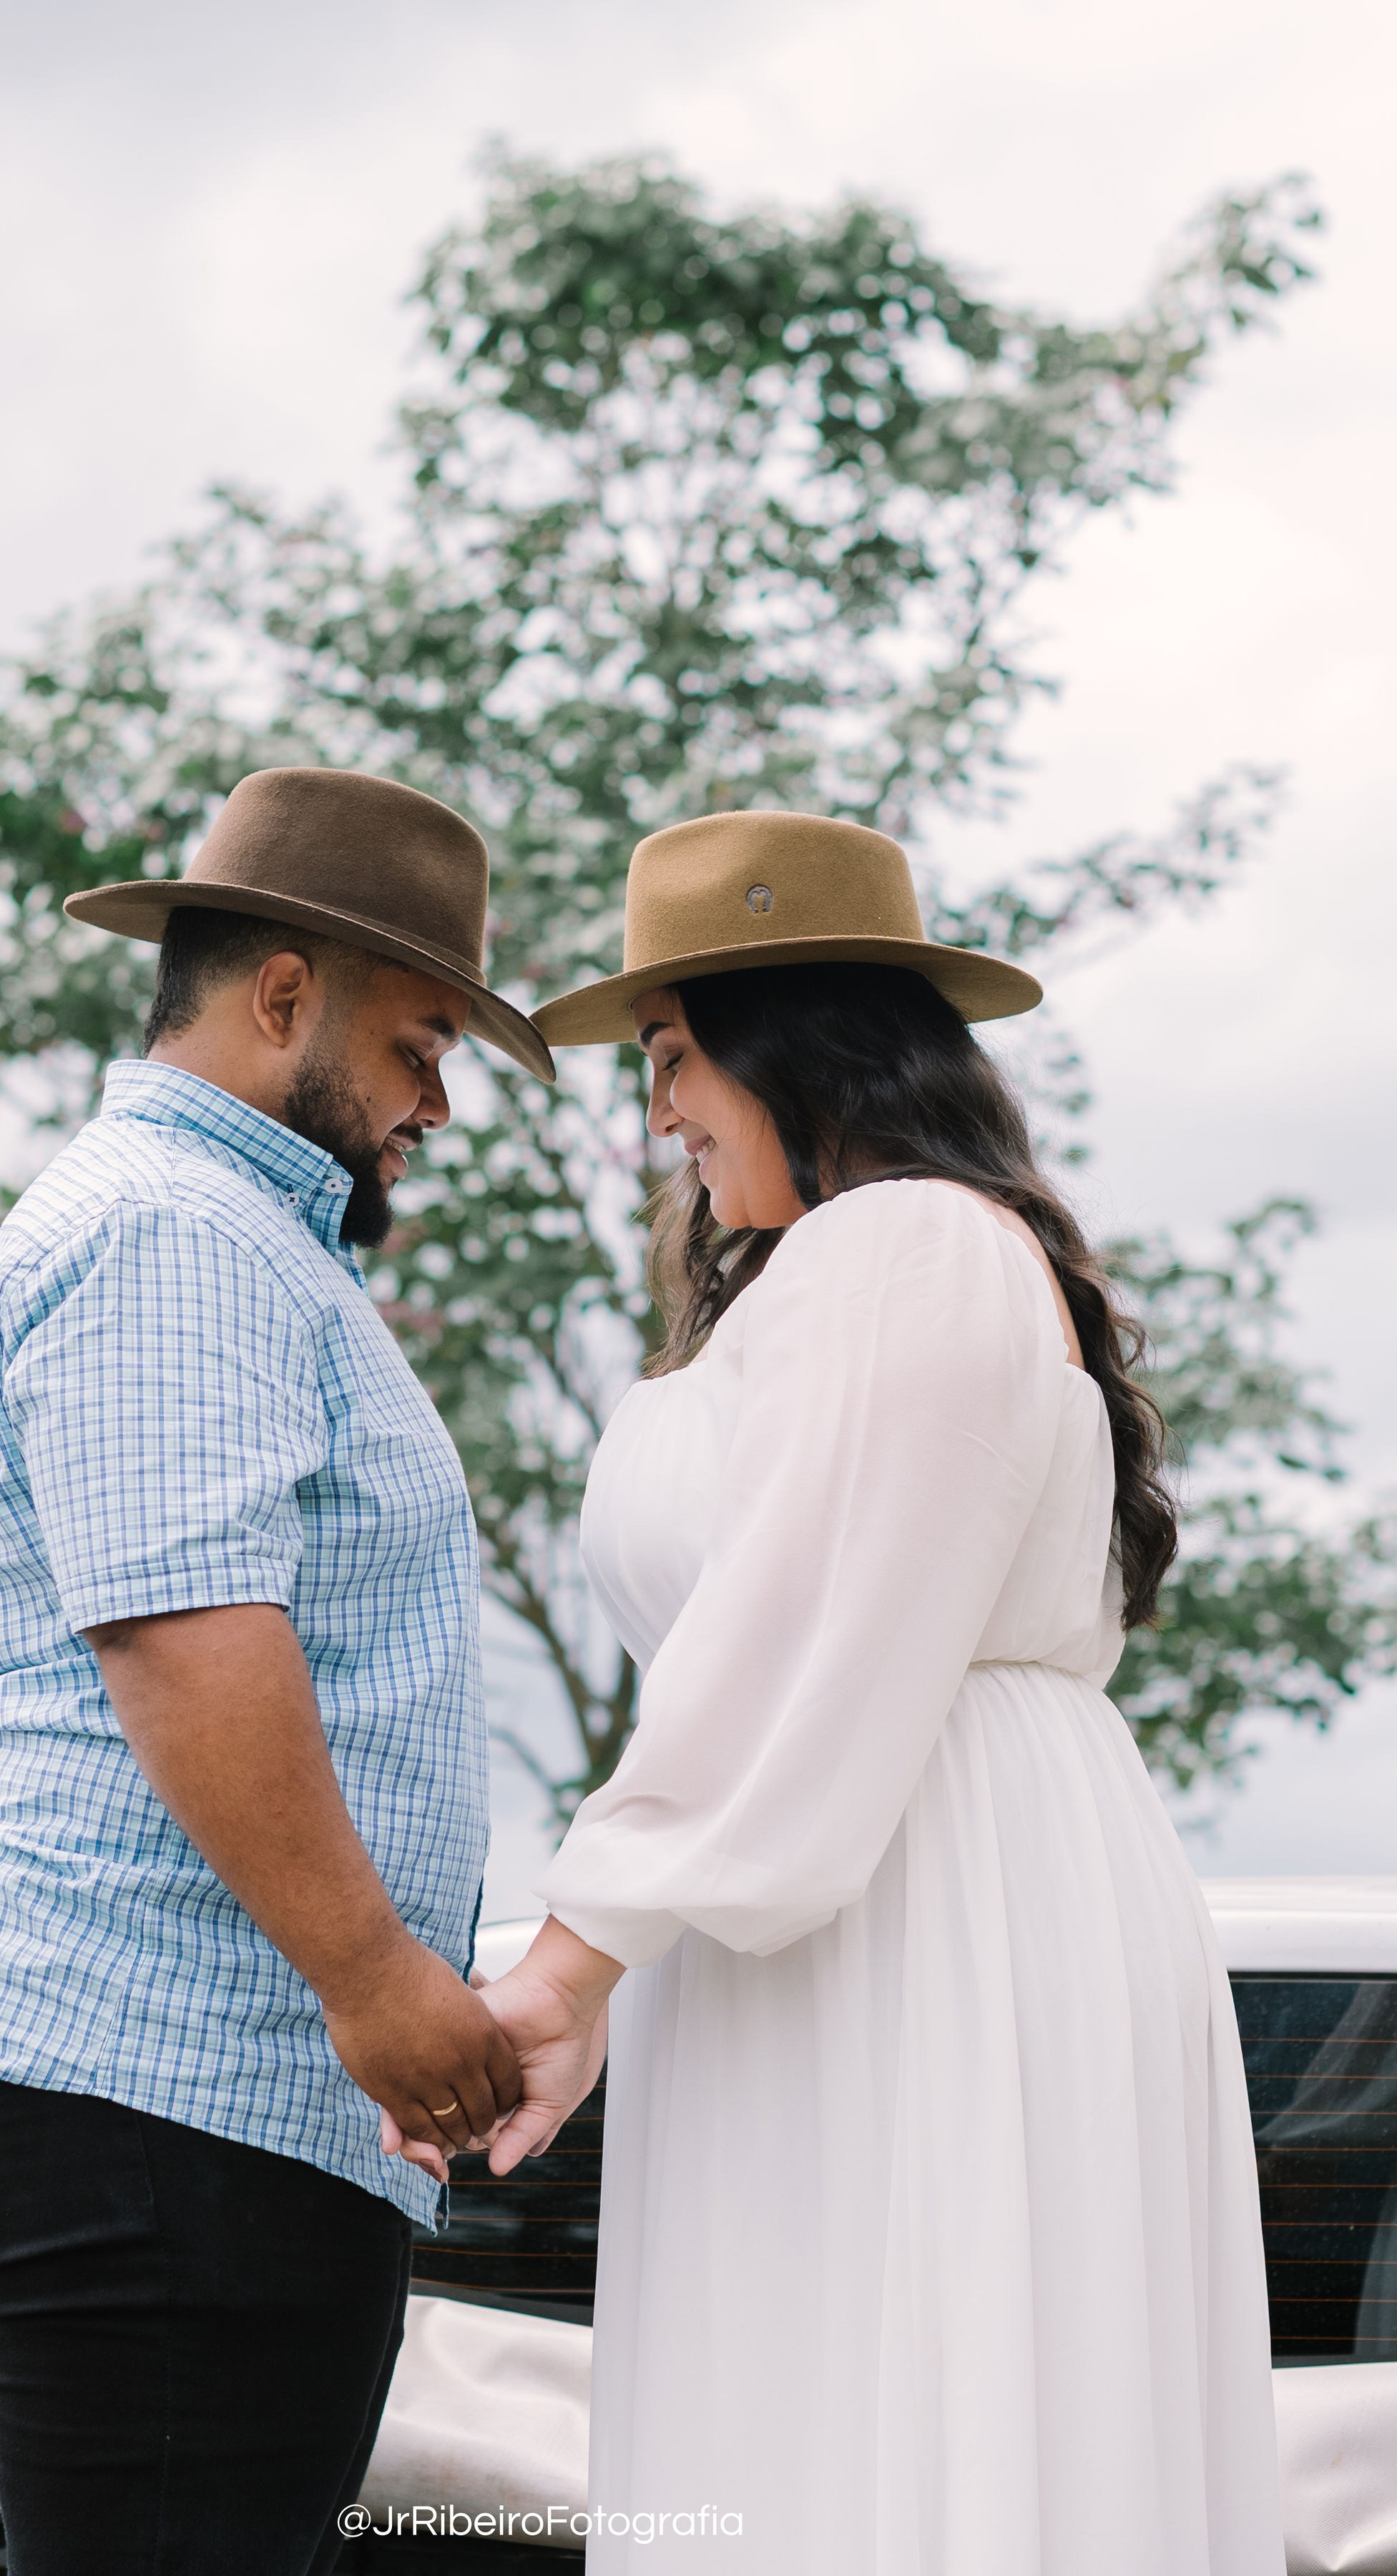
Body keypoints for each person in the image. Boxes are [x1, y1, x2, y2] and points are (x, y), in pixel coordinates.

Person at [394, 810, 1285, 2572]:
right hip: (840, 1894)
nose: (655, 1108)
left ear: (794, 1038)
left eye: (668, 1054)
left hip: (915, 1899)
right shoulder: (847, 1274)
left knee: (895, 2434)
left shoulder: (912, 1249)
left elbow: (797, 1629)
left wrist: (571, 1965)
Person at [0, 767, 555, 2575]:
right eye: (420, 1043)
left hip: (183, 2083)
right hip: (148, 2080)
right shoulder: (175, 1232)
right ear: (285, 995)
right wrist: (377, 1978)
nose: (436, 1104)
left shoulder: (225, 1234)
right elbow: (185, 1632)